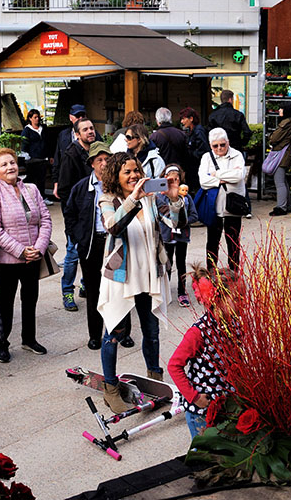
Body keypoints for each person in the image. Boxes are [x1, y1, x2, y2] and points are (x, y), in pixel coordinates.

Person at [96, 152, 174, 414]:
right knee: (114, 333)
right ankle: (110, 388)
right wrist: (133, 200)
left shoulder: (151, 198)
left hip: (149, 273)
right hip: (122, 277)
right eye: (127, 172)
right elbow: (113, 226)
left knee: (151, 332)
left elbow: (175, 222)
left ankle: (155, 381)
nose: (134, 176)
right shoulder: (108, 199)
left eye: (136, 171)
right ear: (116, 176)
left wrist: (174, 200)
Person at [0, 148, 52, 363]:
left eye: (12, 162)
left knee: (30, 299)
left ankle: (29, 339)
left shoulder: (31, 189)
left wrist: (38, 248)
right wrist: (20, 250)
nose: (10, 167)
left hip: (33, 258)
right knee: (5, 303)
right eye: (3, 165)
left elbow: (46, 220)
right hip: (8, 261)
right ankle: (2, 344)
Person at [167, 266, 240, 438]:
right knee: (203, 457)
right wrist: (194, 397)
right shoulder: (199, 332)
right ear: (218, 299)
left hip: (226, 405)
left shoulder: (235, 325)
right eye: (237, 298)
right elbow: (174, 365)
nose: (243, 302)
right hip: (202, 410)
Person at [64, 142, 113, 350]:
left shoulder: (117, 185)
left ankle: (121, 332)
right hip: (91, 245)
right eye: (99, 160)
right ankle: (95, 335)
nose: (103, 163)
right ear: (91, 163)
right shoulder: (82, 187)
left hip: (114, 243)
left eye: (107, 159)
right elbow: (70, 214)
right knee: (94, 291)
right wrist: (78, 239)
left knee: (118, 289)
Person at [58, 117, 97, 312]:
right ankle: (67, 291)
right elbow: (65, 190)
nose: (90, 131)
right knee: (73, 254)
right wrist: (70, 220)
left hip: (93, 213)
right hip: (77, 214)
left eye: (91, 128)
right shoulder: (71, 154)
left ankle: (85, 284)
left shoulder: (97, 151)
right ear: (77, 134)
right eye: (86, 129)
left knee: (90, 252)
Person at [199, 129, 247, 272]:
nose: (219, 148)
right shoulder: (206, 157)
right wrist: (223, 179)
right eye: (215, 146)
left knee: (233, 242)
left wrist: (216, 174)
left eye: (222, 145)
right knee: (212, 242)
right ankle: (211, 273)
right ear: (210, 145)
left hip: (233, 205)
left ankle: (234, 273)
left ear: (228, 143)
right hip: (214, 205)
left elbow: (238, 176)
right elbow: (203, 181)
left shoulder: (237, 155)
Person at [156, 165, 198, 306]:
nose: (174, 180)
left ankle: (182, 292)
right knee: (166, 264)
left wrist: (183, 221)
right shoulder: (160, 198)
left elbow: (194, 215)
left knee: (181, 264)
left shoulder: (186, 198)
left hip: (182, 237)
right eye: (171, 178)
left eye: (177, 178)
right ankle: (165, 291)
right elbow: (160, 216)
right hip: (166, 236)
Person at [52, 104, 88, 200]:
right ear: (70, 117)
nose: (80, 119)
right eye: (77, 116)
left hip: (85, 182)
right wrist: (56, 183)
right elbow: (57, 159)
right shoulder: (63, 135)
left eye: (83, 116)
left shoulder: (93, 136)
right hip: (66, 182)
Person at [267, 104, 291, 216]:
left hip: (281, 154)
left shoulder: (286, 123)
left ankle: (281, 207)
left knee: (279, 181)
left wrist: (271, 137)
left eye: (281, 108)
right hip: (285, 153)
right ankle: (286, 205)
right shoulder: (290, 122)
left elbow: (274, 138)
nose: (279, 110)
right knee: (283, 181)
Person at [21, 108, 49, 201]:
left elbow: (48, 142)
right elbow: (24, 144)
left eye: (38, 117)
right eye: (35, 117)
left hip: (43, 157)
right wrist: (26, 156)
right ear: (30, 118)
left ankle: (43, 197)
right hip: (33, 159)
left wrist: (50, 155)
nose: (37, 119)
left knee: (42, 179)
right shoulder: (27, 130)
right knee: (33, 179)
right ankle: (33, 198)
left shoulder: (43, 128)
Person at [180, 107, 209, 192]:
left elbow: (204, 149)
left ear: (191, 119)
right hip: (193, 168)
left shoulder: (199, 131)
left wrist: (191, 154)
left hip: (197, 168)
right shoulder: (192, 131)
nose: (182, 122)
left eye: (183, 119)